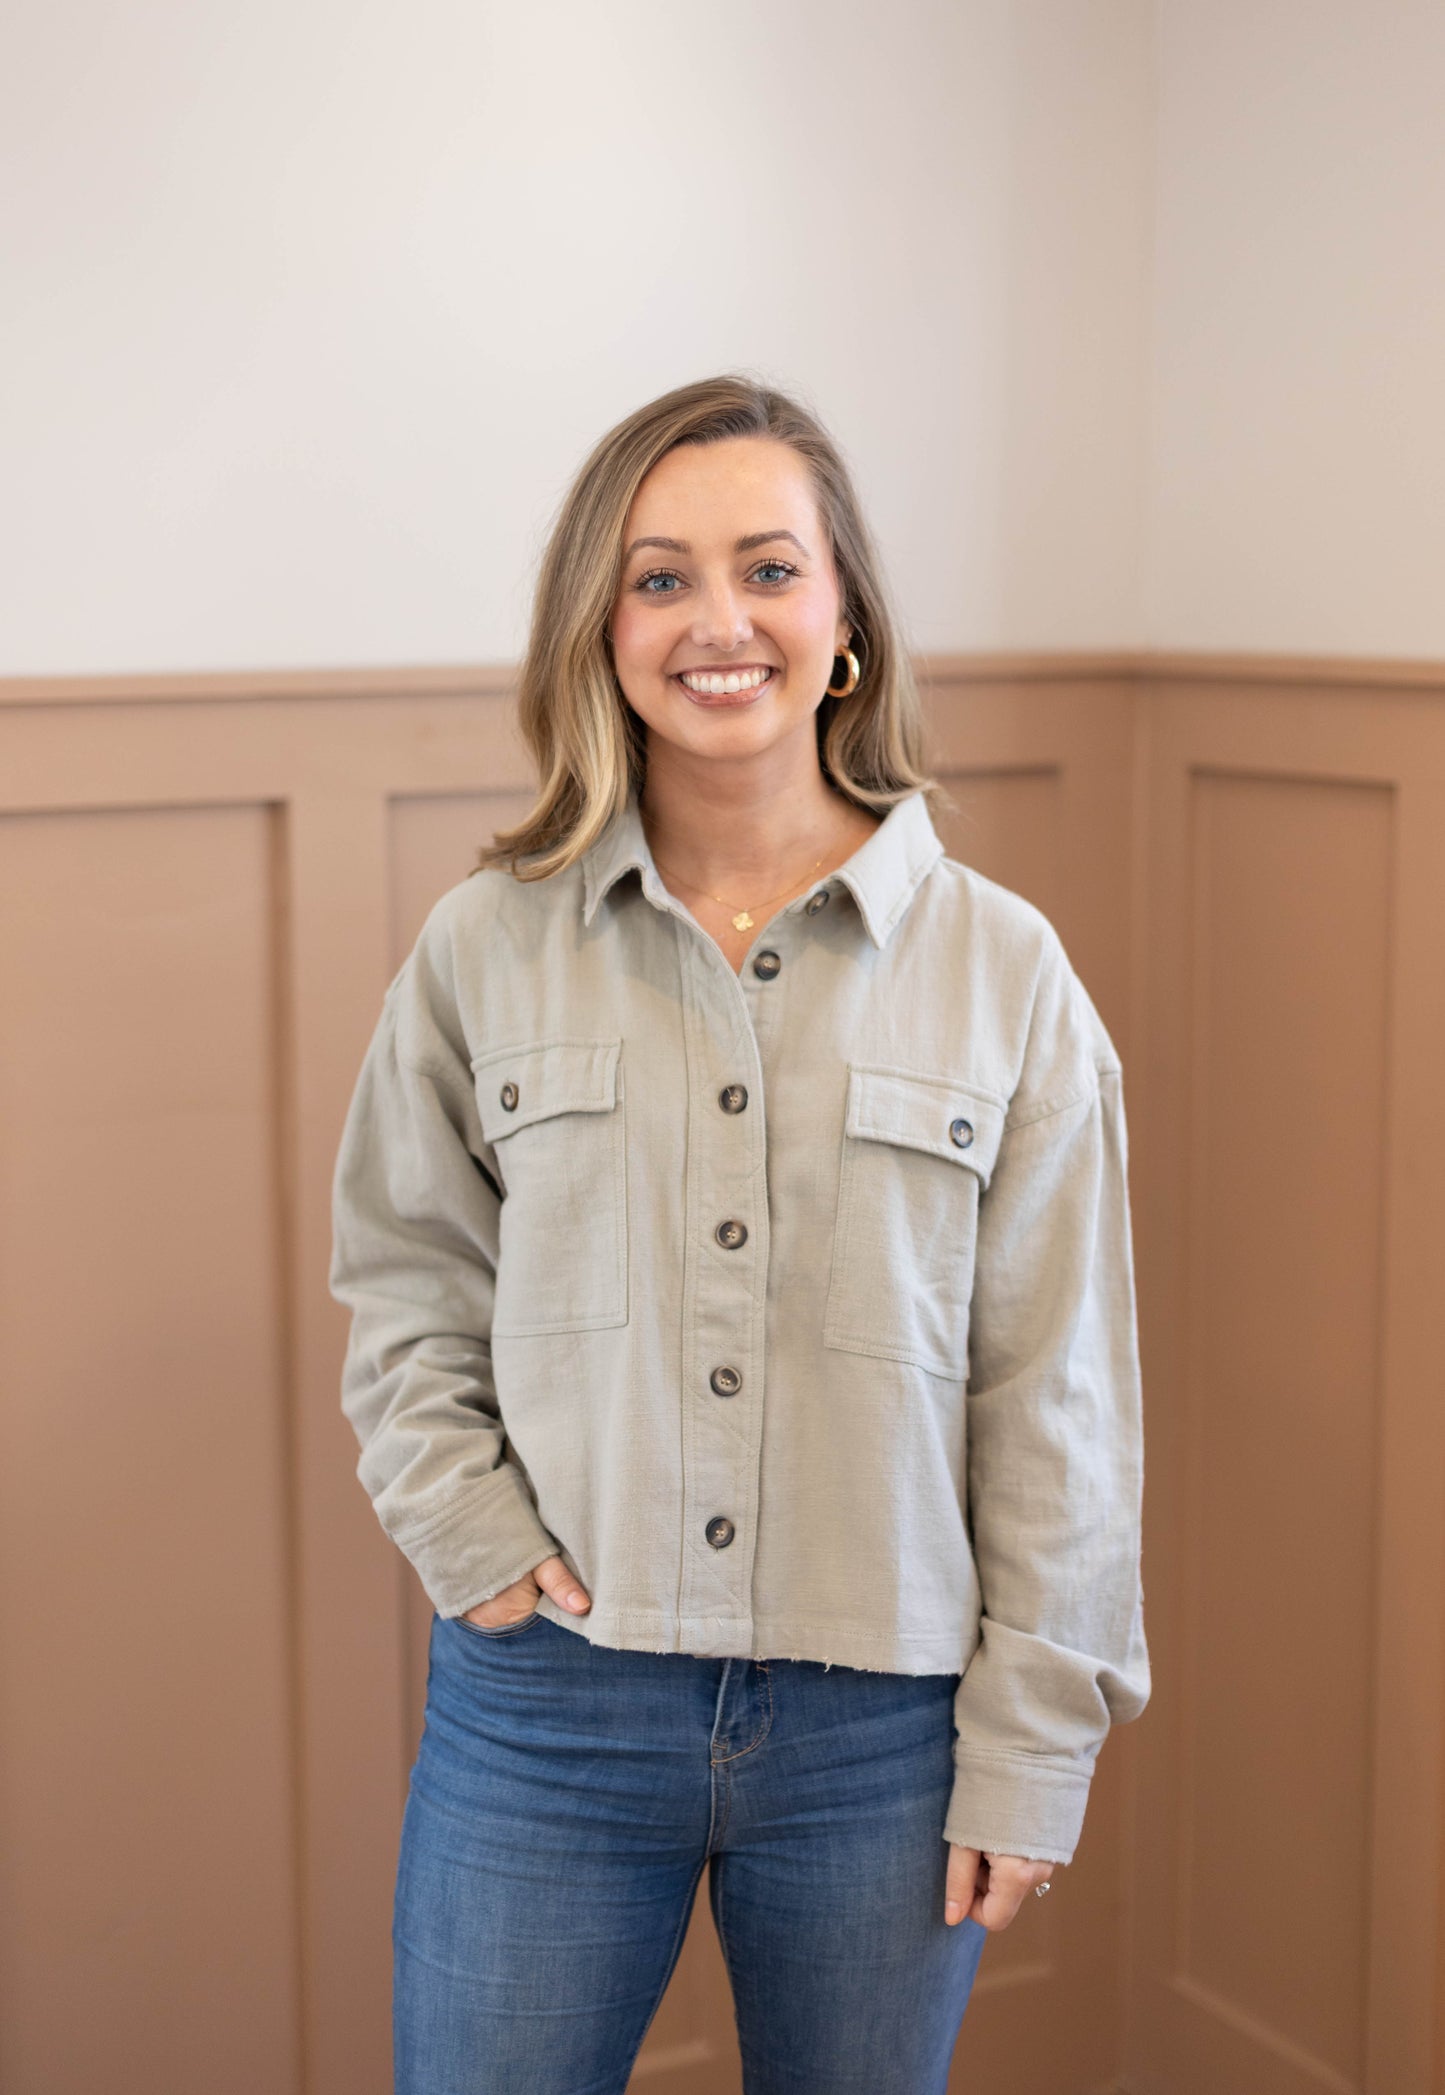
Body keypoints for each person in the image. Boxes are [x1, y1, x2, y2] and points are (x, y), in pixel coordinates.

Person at [329, 372, 1151, 2094]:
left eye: (771, 569)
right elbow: (404, 1279)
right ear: (600, 627)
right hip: (549, 1708)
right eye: (659, 577)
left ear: (843, 617)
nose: (720, 621)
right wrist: (466, 1532)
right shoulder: (484, 945)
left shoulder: (1006, 974)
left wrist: (1029, 1751)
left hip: (886, 1736)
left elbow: (1055, 1400)